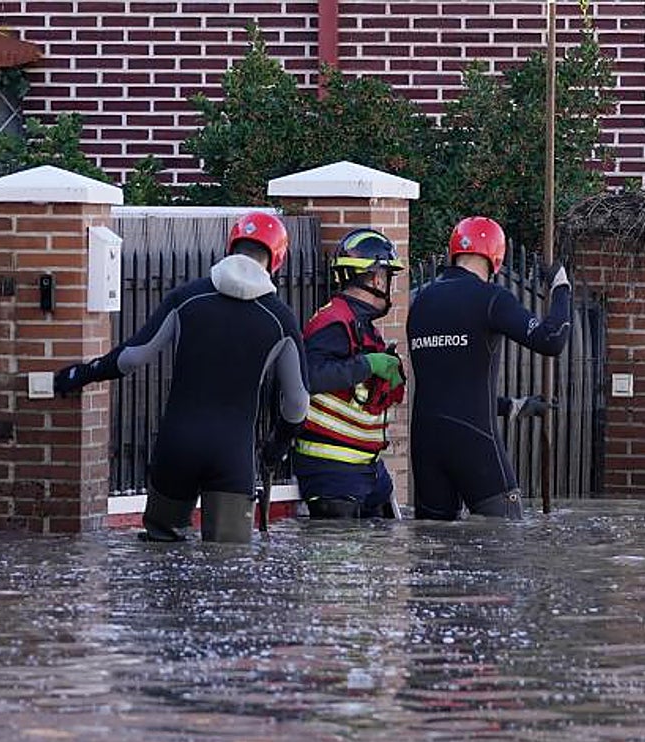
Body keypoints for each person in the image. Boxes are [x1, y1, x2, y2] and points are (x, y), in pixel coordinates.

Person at [53, 210, 310, 544]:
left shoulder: (187, 297)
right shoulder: (280, 318)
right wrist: (278, 444)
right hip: (232, 455)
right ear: (278, 258)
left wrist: (79, 375)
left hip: (177, 447)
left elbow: (133, 356)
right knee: (228, 570)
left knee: (160, 558)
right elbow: (297, 403)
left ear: (231, 246)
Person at [406, 216, 571, 520]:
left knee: (434, 552)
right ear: (496, 257)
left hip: (426, 442)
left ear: (453, 252)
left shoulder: (419, 302)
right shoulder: (491, 298)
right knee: (506, 542)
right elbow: (552, 340)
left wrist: (512, 406)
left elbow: (446, 386)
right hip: (474, 440)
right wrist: (561, 286)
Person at [292, 227, 407, 519]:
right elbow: (310, 377)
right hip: (332, 473)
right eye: (388, 277)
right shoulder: (334, 321)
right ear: (377, 278)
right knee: (338, 563)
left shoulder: (360, 324)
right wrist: (368, 366)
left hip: (367, 470)